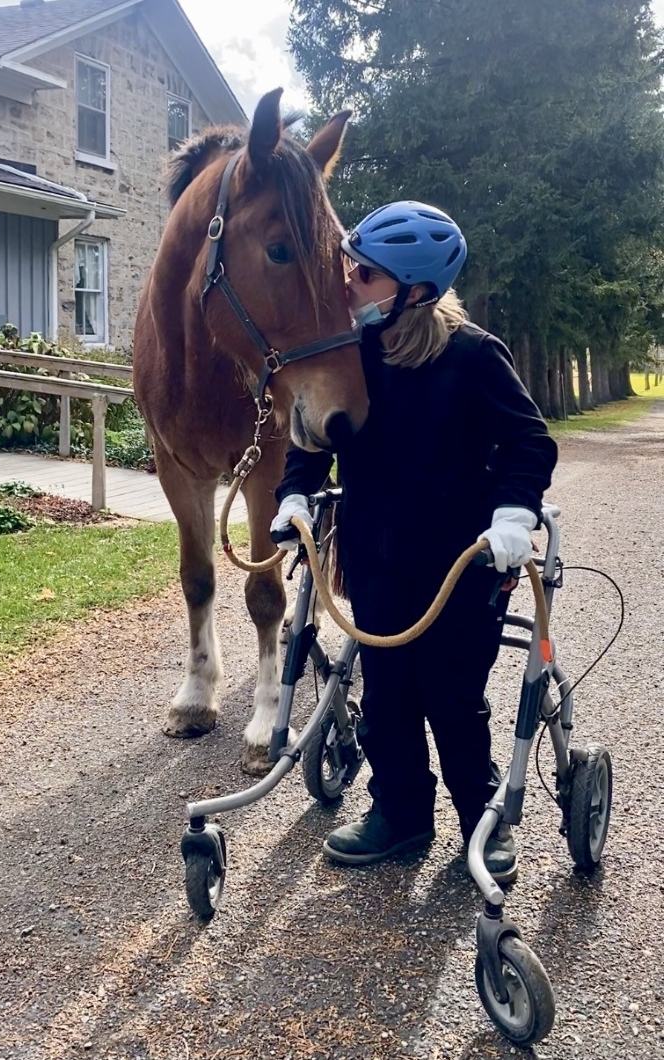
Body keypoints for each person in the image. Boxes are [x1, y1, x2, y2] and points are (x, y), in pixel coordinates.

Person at [270, 201, 558, 883]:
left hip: (461, 566)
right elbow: (312, 431)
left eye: (363, 274)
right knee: (389, 695)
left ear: (415, 291)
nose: (347, 283)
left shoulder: (472, 356)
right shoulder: (353, 354)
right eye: (348, 265)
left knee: (452, 696)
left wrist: (514, 515)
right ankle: (400, 813)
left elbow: (530, 441)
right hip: (376, 559)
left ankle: (479, 818)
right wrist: (293, 493)